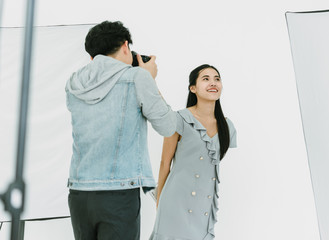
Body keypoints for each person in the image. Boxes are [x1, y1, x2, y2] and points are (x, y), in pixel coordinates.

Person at [65, 21, 176, 240]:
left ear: (92, 57)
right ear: (125, 46)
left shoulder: (74, 83)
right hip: (118, 193)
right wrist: (150, 79)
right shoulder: (137, 78)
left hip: (78, 192)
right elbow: (168, 126)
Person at [150, 64, 237, 239]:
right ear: (193, 88)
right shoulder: (180, 119)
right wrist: (160, 202)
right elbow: (165, 163)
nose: (213, 83)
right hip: (174, 202)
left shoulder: (227, 126)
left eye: (217, 79)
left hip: (204, 204)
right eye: (206, 79)